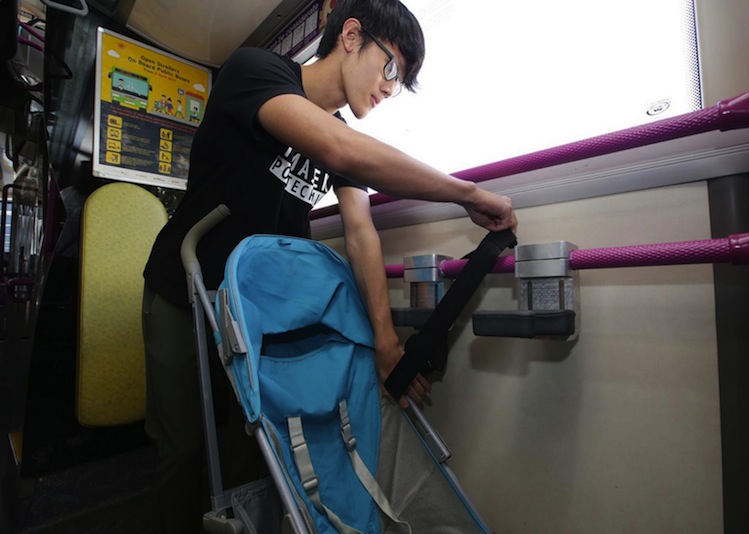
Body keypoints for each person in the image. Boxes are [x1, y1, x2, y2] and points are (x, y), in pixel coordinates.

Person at [141, 0, 518, 531]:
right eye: (391, 68)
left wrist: (386, 343)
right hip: (186, 290)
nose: (390, 89)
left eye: (400, 82)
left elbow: (360, 233)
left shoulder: (339, 131)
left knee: (255, 446)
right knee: (182, 450)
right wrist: (464, 194)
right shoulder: (257, 71)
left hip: (256, 318)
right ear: (350, 35)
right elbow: (343, 151)